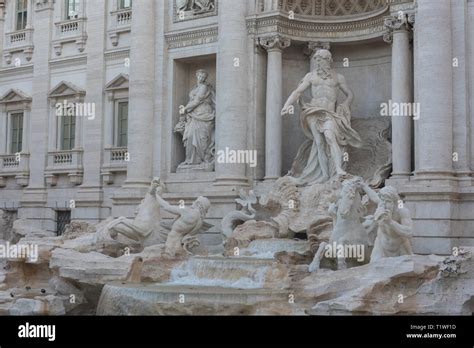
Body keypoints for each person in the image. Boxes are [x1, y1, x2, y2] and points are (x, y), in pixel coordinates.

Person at [281, 49, 362, 186]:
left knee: (330, 137)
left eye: (320, 59)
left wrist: (346, 104)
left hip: (329, 113)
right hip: (313, 111)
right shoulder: (310, 76)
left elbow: (350, 94)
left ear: (328, 60)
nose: (317, 62)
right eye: (316, 59)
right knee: (319, 143)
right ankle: (324, 175)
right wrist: (286, 105)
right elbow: (298, 92)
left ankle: (338, 169)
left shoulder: (338, 77)